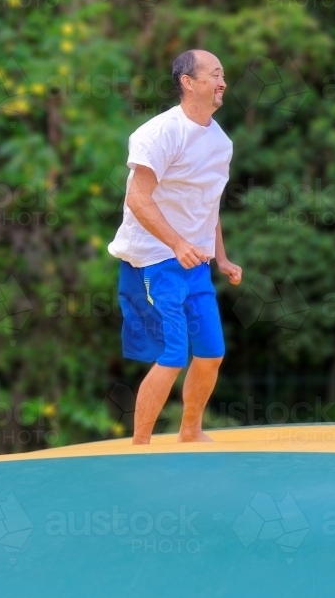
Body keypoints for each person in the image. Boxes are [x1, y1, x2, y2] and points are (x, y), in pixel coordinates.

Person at [108, 49, 243, 443]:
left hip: (194, 263)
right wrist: (178, 243)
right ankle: (140, 445)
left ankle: (190, 432)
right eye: (214, 73)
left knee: (211, 354)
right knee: (171, 356)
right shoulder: (159, 133)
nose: (222, 81)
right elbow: (138, 198)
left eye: (223, 74)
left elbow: (209, 204)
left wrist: (220, 256)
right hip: (154, 261)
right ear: (188, 82)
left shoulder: (221, 143)